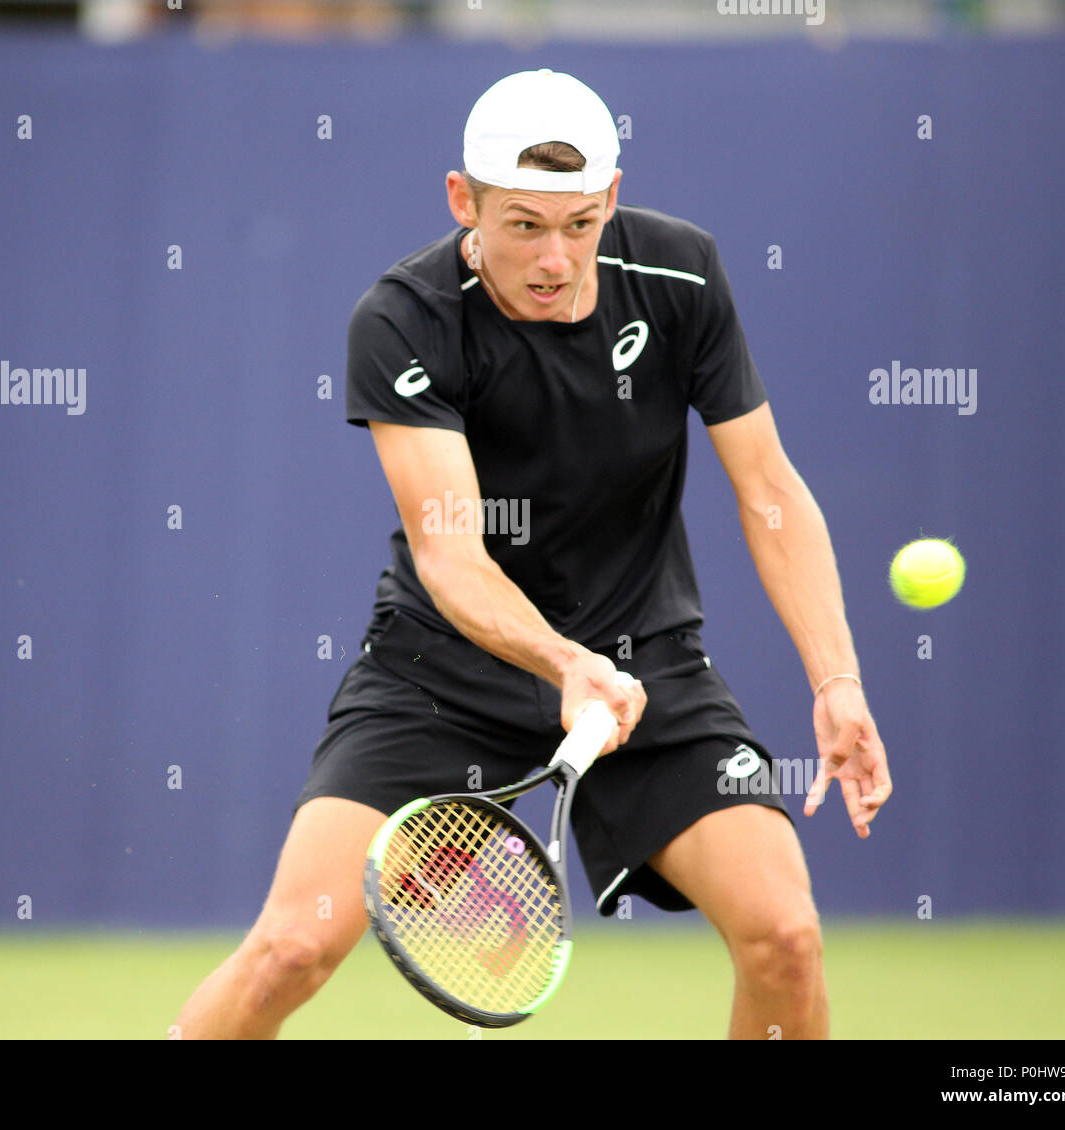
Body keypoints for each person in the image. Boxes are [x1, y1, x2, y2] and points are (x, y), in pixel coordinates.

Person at [176, 68, 891, 1040]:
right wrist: (561, 660)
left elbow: (767, 491)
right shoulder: (403, 318)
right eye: (523, 226)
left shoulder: (681, 275)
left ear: (611, 198)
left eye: (582, 222)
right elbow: (452, 552)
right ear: (461, 200)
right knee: (289, 950)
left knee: (784, 935)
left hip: (648, 672)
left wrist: (835, 677)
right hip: (442, 674)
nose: (557, 258)